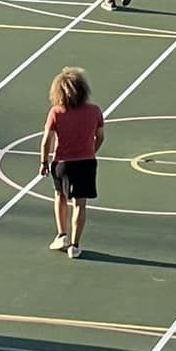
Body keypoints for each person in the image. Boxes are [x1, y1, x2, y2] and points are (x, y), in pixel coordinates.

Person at [39, 66, 105, 258]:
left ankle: (62, 235)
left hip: (62, 163)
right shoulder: (94, 111)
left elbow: (46, 141)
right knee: (80, 204)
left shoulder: (56, 112)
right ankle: (75, 246)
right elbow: (100, 136)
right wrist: (91, 150)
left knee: (60, 196)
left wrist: (43, 162)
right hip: (86, 163)